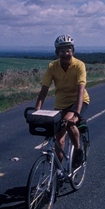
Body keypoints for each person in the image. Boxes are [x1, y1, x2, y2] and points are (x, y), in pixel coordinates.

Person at [35, 34, 90, 168]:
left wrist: (76, 114)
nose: (65, 53)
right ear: (57, 52)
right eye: (62, 51)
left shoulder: (79, 65)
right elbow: (44, 90)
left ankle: (78, 150)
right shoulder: (52, 66)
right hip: (61, 103)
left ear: (73, 51)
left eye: (68, 50)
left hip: (79, 100)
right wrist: (37, 110)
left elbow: (80, 90)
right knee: (58, 139)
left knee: (69, 123)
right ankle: (58, 172)